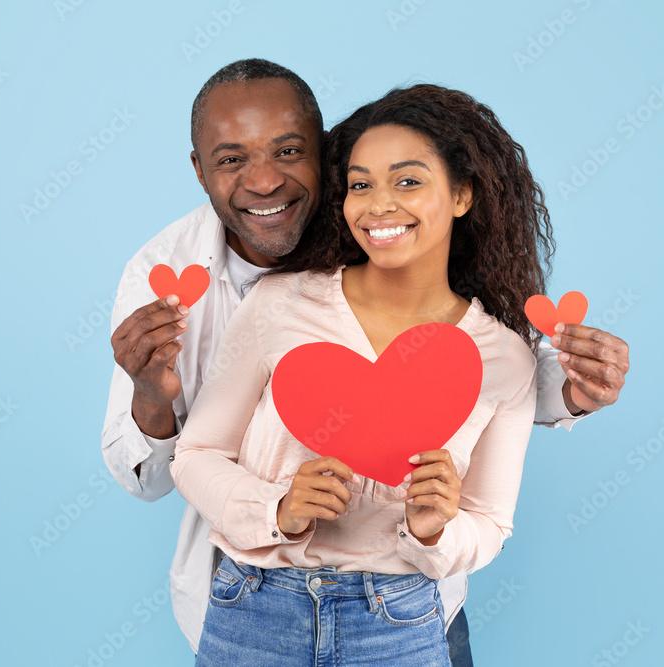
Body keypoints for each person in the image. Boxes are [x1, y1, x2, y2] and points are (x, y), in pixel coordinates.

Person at [101, 59, 631, 665]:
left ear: (461, 194)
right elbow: (191, 456)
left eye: (408, 182)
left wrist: (438, 528)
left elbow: (488, 509)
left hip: (402, 617)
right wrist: (277, 506)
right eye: (362, 184)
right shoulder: (260, 298)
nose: (264, 181)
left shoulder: (502, 353)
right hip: (253, 605)